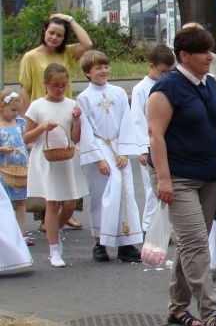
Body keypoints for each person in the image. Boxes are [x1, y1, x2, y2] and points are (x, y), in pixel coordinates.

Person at [147, 26, 216, 326]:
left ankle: (177, 308)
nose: (210, 56)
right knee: (196, 244)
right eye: (203, 52)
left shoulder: (209, 84)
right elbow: (156, 135)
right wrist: (164, 180)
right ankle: (211, 312)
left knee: (189, 244)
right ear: (184, 56)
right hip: (178, 177)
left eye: (210, 51)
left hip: (210, 174)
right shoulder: (166, 89)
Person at [20, 13, 92, 231]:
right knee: (47, 171)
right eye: (51, 32)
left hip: (64, 114)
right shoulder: (31, 57)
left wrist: (68, 19)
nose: (54, 37)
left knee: (67, 166)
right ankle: (48, 217)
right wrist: (25, 121)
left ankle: (64, 213)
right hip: (41, 114)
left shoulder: (66, 53)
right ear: (44, 32)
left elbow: (87, 44)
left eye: (60, 35)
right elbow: (26, 89)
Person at [77, 50, 143, 262]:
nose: (104, 71)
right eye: (98, 68)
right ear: (88, 72)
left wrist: (123, 150)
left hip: (118, 144)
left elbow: (126, 121)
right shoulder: (84, 97)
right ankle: (100, 243)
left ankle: (126, 243)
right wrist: (98, 158)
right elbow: (86, 129)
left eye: (106, 67)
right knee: (102, 195)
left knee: (125, 192)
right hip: (99, 146)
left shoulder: (119, 93)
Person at [23, 63, 88, 267]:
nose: (59, 89)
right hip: (47, 158)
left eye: (63, 85)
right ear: (46, 84)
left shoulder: (71, 104)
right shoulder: (37, 106)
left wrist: (76, 120)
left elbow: (76, 138)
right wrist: (42, 127)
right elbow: (26, 137)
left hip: (68, 158)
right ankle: (54, 250)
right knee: (52, 203)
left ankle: (55, 232)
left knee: (70, 203)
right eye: (55, 85)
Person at [131, 45, 175, 233]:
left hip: (168, 143)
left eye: (169, 71)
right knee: (152, 187)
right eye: (162, 71)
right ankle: (148, 226)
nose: (165, 75)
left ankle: (165, 227)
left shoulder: (171, 84)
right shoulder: (141, 89)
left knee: (170, 185)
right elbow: (138, 120)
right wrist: (142, 148)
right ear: (151, 66)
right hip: (149, 144)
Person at [0, 90, 33, 246]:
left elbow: (27, 142)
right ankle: (6, 233)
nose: (16, 113)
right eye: (13, 110)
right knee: (4, 202)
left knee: (21, 201)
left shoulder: (20, 123)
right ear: (2, 107)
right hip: (4, 170)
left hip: (21, 169)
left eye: (18, 110)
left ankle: (21, 232)